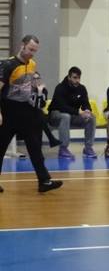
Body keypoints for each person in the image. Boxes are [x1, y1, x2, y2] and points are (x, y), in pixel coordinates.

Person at [0, 35, 63, 194]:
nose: (32, 53)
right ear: (22, 45)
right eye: (30, 49)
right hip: (8, 112)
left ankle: (44, 181)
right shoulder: (8, 65)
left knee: (35, 148)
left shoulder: (32, 64)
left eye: (35, 51)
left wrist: (39, 88)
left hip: (27, 112)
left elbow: (32, 84)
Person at [48, 66, 97, 159]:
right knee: (65, 116)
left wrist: (87, 110)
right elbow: (61, 107)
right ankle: (63, 148)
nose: (77, 80)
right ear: (69, 77)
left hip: (73, 116)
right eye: (74, 78)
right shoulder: (60, 88)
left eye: (79, 78)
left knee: (91, 117)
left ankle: (88, 148)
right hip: (56, 115)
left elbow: (85, 103)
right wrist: (78, 112)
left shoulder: (82, 88)